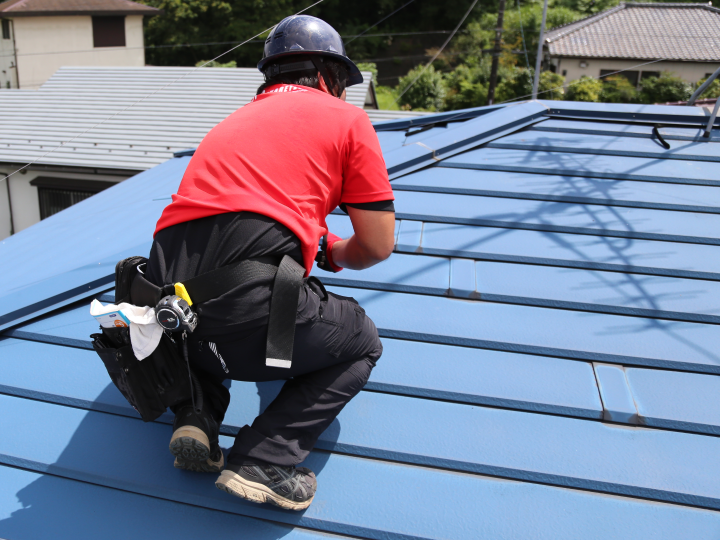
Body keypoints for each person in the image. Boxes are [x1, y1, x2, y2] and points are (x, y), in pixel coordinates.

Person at [145, 14, 395, 511]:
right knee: (361, 341)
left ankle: (196, 411)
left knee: (206, 314)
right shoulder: (345, 119)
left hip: (163, 303)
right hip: (245, 307)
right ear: (327, 75)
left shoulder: (234, 121)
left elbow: (238, 210)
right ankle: (266, 459)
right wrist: (334, 252)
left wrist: (305, 236)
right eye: (341, 83)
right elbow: (377, 245)